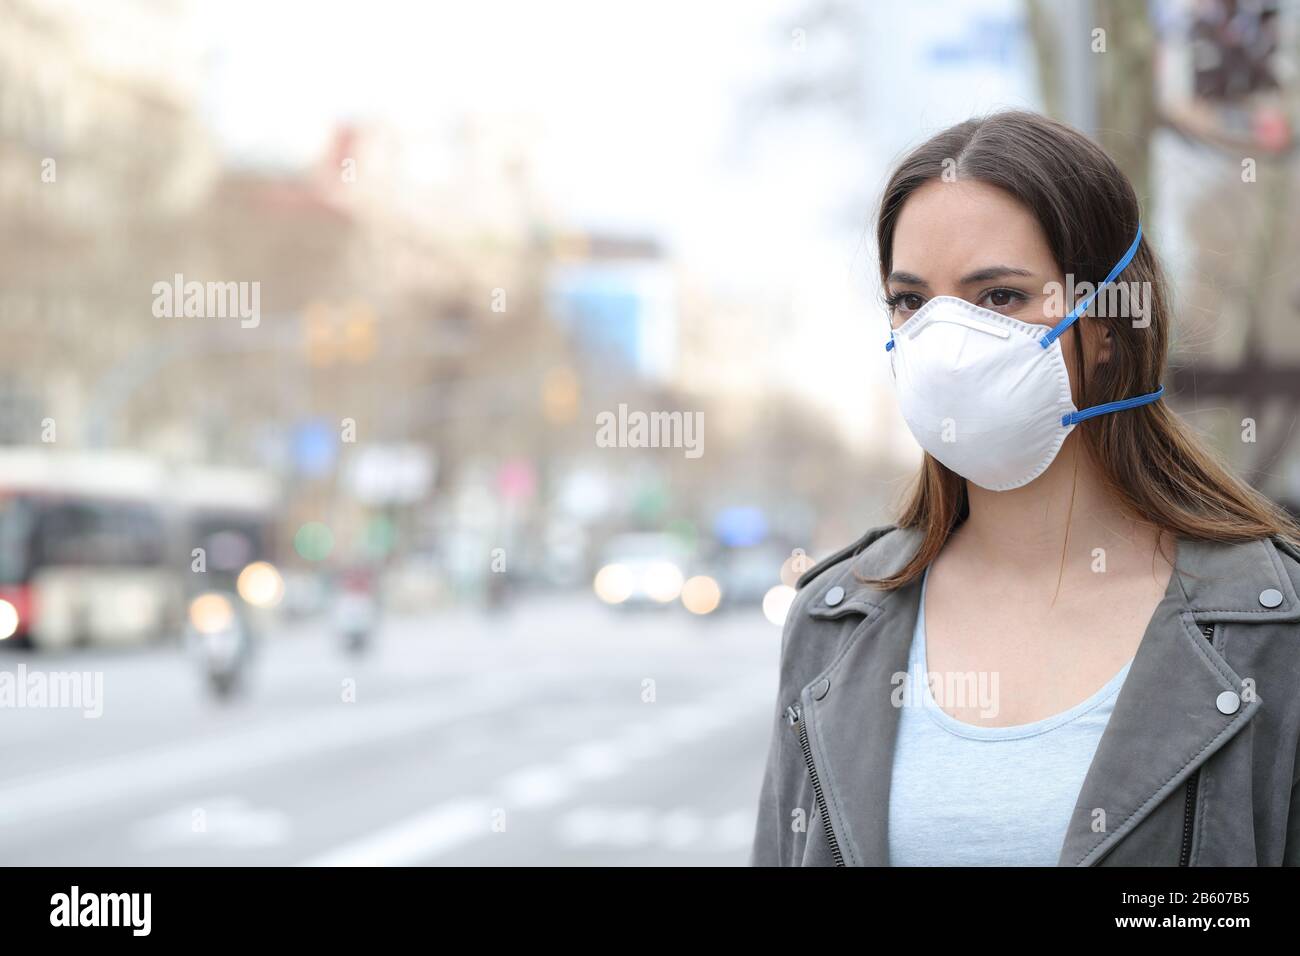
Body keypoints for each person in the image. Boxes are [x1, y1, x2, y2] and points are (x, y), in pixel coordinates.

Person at [749, 110, 1300, 867]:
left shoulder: (1272, 632)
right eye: (911, 302)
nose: (946, 344)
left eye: (999, 296)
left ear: (1106, 322)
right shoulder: (832, 622)